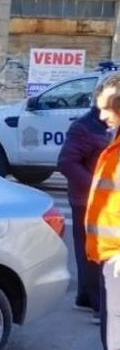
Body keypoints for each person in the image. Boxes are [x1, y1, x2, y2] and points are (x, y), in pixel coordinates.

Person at [73, 72, 120, 350]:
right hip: (110, 259)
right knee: (113, 341)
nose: (101, 116)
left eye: (107, 108)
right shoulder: (114, 145)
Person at [58, 99, 109, 322]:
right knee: (93, 253)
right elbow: (66, 163)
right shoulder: (85, 127)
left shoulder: (109, 124)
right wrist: (96, 188)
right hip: (86, 200)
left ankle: (85, 298)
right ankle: (99, 306)